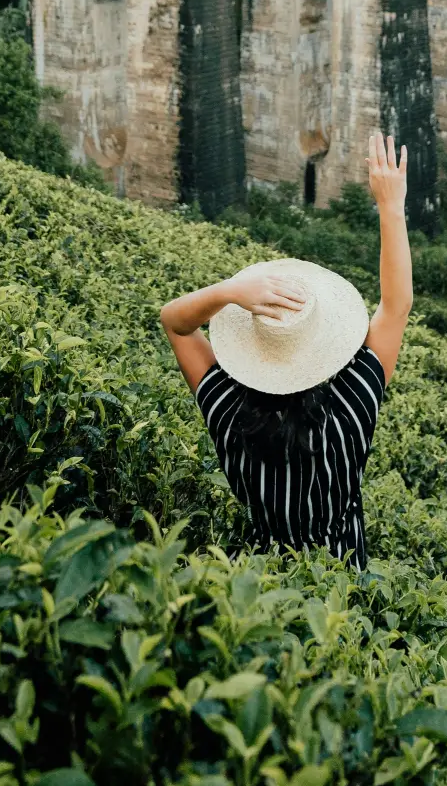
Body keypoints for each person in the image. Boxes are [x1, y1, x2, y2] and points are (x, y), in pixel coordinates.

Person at [159, 131, 412, 570]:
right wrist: (390, 206)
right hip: (339, 588)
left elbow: (175, 323)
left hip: (256, 585)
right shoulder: (349, 415)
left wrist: (230, 292)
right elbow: (396, 305)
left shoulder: (227, 413)